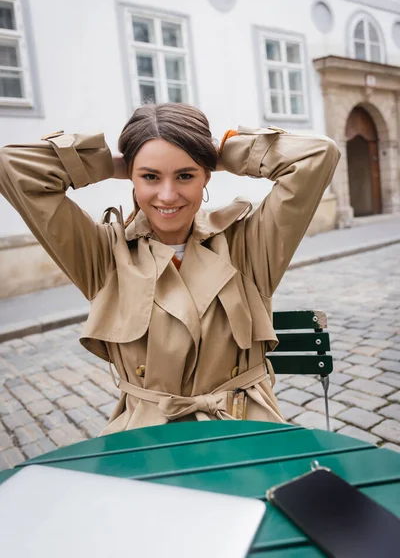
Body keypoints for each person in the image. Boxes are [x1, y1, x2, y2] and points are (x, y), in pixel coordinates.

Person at [0, 103, 340, 433]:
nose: (168, 195)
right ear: (130, 177)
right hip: (145, 436)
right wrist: (108, 164)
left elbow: (317, 156)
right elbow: (13, 166)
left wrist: (224, 155)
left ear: (206, 176)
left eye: (185, 175)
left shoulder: (248, 245)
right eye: (150, 176)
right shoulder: (103, 253)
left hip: (244, 426)